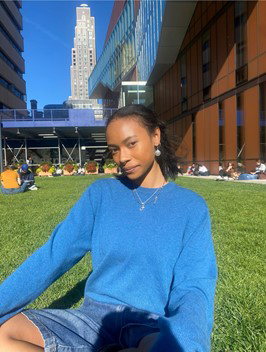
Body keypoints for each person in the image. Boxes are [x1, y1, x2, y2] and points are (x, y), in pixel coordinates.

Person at [0, 104, 217, 352]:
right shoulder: (100, 195)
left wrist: (184, 344)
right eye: (114, 150)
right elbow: (53, 256)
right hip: (92, 321)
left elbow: (194, 287)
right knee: (3, 335)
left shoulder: (190, 207)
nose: (122, 157)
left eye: (131, 143)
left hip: (147, 326)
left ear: (155, 136)